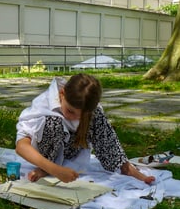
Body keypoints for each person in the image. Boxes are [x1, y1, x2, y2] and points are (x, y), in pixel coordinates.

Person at [16, 73, 155, 185]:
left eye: (80, 116)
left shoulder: (89, 109)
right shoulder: (43, 104)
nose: (74, 119)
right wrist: (55, 170)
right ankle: (45, 168)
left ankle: (126, 168)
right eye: (70, 111)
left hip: (71, 148)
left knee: (97, 116)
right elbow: (21, 147)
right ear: (62, 94)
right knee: (54, 121)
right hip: (46, 154)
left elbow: (106, 137)